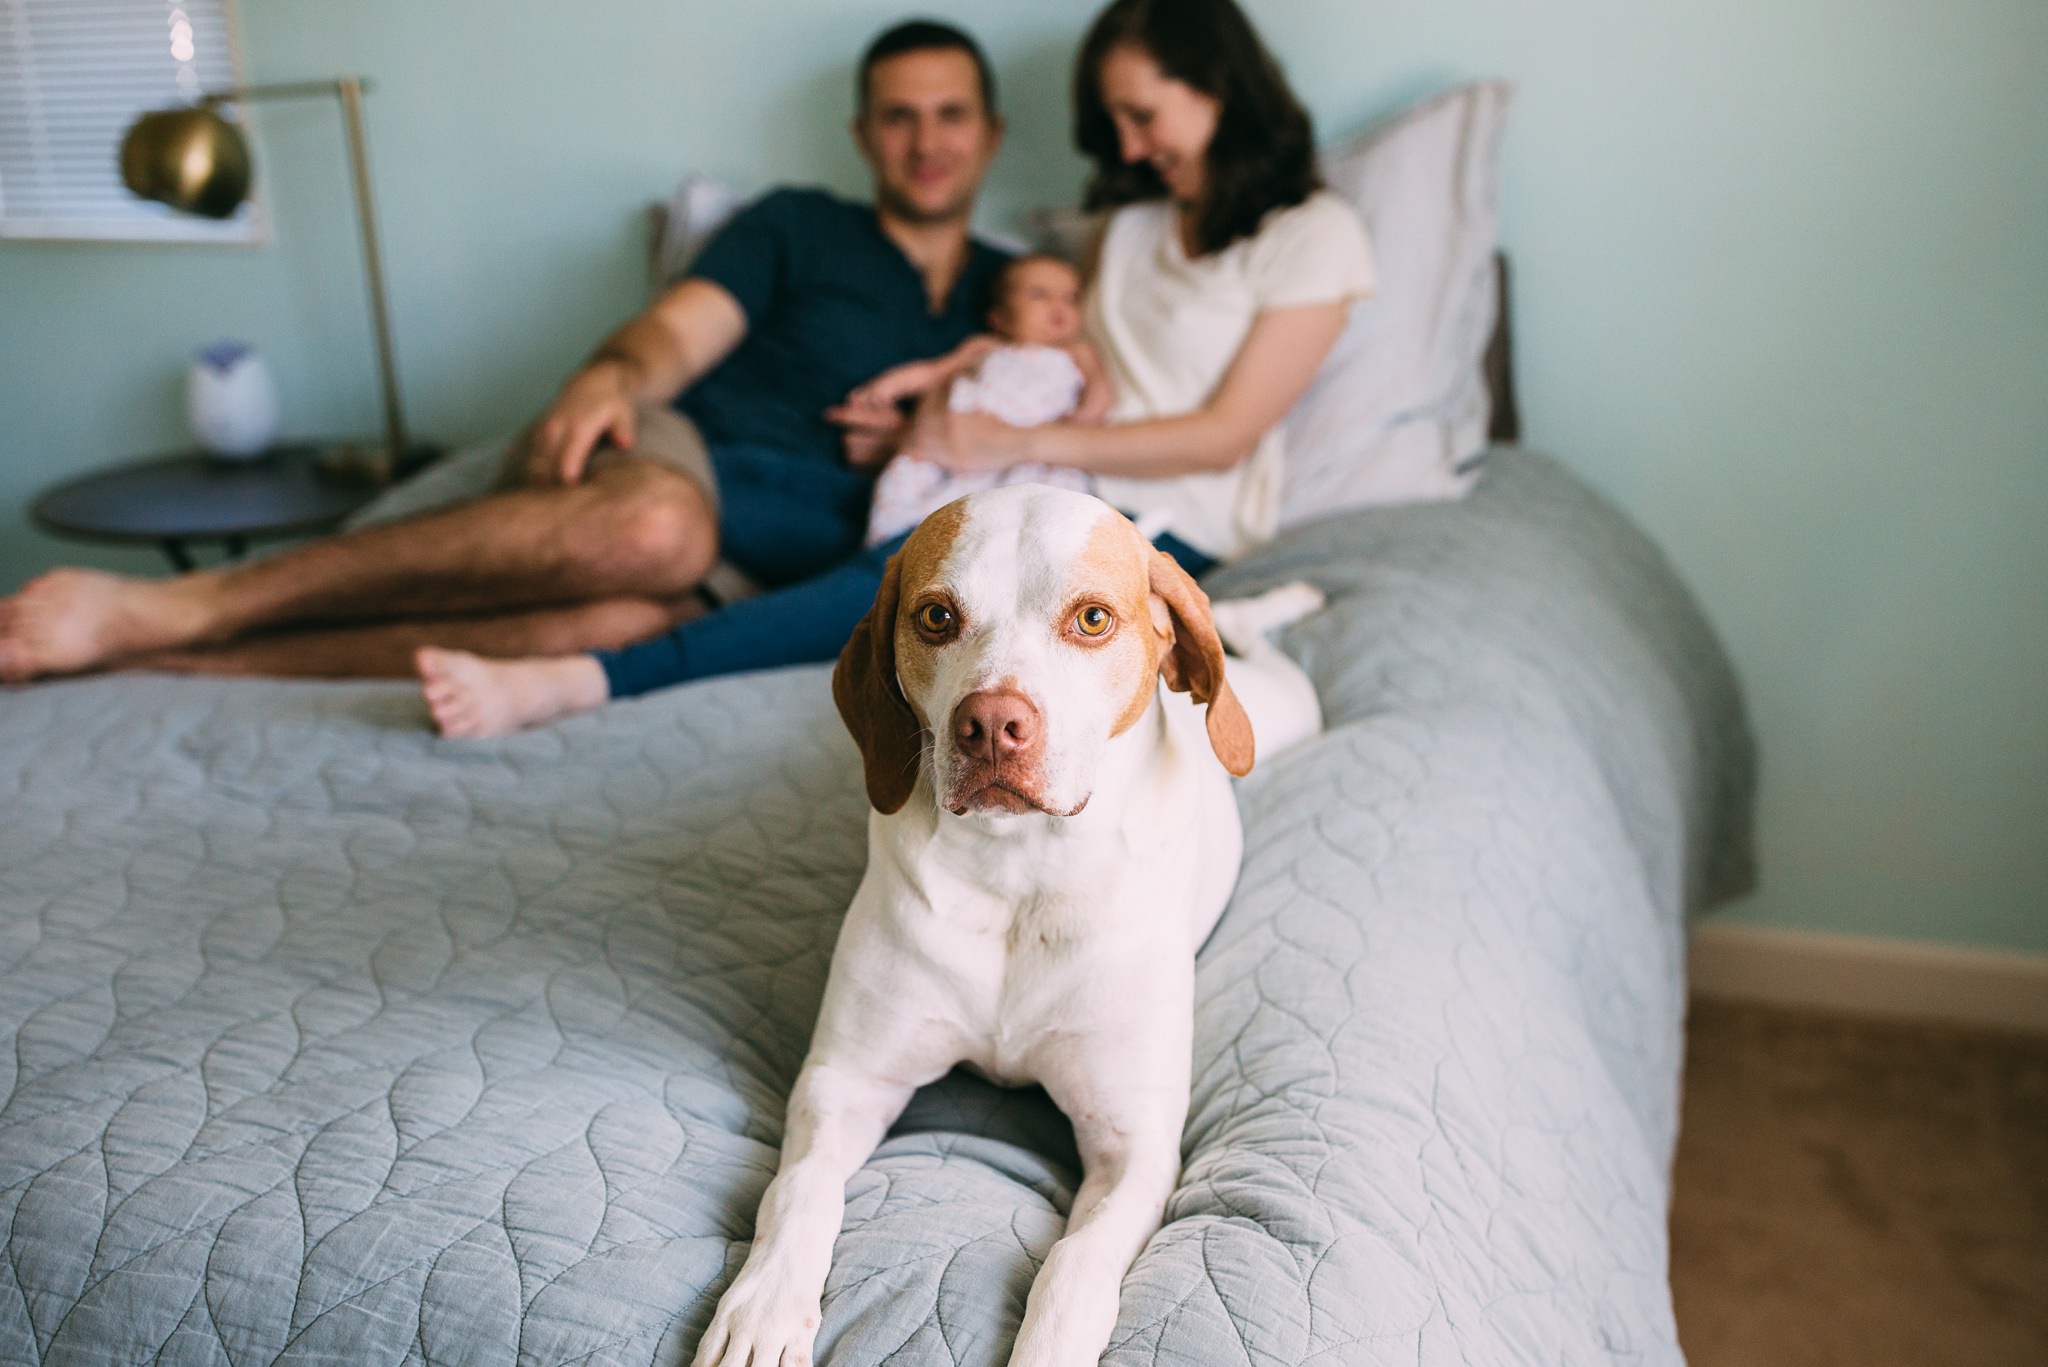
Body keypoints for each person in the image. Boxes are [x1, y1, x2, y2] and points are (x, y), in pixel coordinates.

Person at [415, 0, 1376, 739]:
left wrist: (1000, 439)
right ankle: (611, 562)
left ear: (1217, 85)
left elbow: (1227, 433)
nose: (1127, 147)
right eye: (1115, 123)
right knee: (697, 492)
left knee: (909, 575)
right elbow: (1036, 349)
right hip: (1021, 469)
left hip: (1158, 515)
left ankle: (587, 680)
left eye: (1142, 115)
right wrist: (934, 418)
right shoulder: (1126, 229)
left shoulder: (1314, 237)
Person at [0, 20, 1009, 684]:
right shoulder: (798, 223)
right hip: (684, 459)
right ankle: (186, 595)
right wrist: (611, 376)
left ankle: (177, 660)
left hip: (792, 546)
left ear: (991, 133)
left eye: (949, 114)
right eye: (899, 115)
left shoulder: (1022, 297)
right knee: (657, 533)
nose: (926, 139)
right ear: (863, 133)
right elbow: (675, 330)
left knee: (622, 629)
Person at [848, 253, 1109, 548]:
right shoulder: (982, 347)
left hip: (1029, 455)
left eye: (1071, 298)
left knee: (1047, 501)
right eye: (1040, 295)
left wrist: (1085, 417)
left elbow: (1100, 389)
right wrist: (888, 386)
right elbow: (934, 372)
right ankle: (888, 546)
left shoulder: (1076, 352)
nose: (1058, 306)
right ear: (999, 317)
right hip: (951, 443)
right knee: (906, 475)